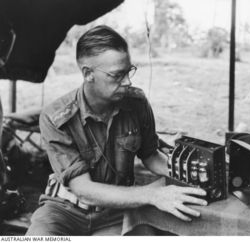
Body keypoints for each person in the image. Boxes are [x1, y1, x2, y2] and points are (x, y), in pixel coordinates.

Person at [26, 25, 207, 236]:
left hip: (114, 213)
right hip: (62, 211)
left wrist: (189, 171)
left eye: (129, 71)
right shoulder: (56, 117)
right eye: (117, 75)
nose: (128, 81)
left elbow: (151, 156)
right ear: (88, 74)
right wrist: (152, 195)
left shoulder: (136, 103)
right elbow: (83, 190)